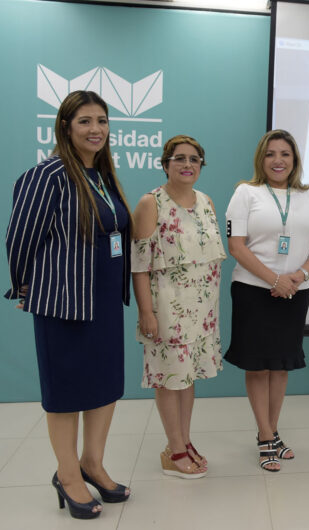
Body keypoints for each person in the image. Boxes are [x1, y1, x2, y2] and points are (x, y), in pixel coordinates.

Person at [5, 90, 132, 518]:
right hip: (64, 301)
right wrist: (25, 286)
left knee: (105, 385)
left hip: (105, 301)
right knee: (66, 391)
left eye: (102, 120)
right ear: (65, 127)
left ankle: (92, 463)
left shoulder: (104, 173)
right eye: (85, 121)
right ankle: (68, 473)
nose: (96, 129)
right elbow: (20, 238)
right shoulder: (48, 175)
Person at [225, 129, 309, 472]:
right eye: (270, 154)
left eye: (285, 154)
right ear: (261, 158)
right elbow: (236, 246)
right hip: (254, 291)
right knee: (258, 366)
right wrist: (274, 279)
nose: (278, 160)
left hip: (295, 292)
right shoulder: (246, 193)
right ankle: (266, 436)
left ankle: (271, 431)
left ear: (294, 159)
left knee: (281, 364)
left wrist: (298, 276)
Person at [131, 135, 226, 479]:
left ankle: (184, 441)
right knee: (169, 379)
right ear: (165, 164)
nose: (187, 165)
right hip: (167, 310)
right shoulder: (151, 203)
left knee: (188, 379)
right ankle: (174, 451)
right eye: (179, 158)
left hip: (202, 311)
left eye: (194, 159)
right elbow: (139, 266)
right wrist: (146, 313)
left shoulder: (206, 202)